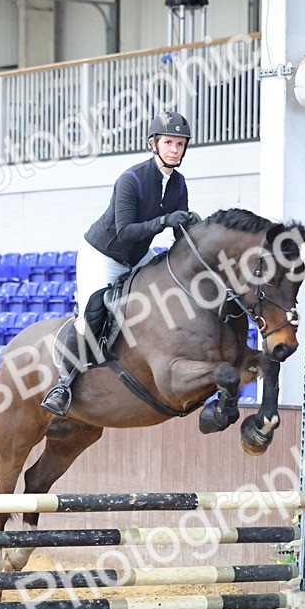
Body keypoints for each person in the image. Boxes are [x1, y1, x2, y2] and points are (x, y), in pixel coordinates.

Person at [40, 110, 198, 416]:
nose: (174, 149)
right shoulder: (131, 179)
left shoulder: (178, 184)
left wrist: (193, 234)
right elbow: (125, 231)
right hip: (103, 254)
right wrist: (164, 220)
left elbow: (180, 233)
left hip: (137, 257)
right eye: (168, 143)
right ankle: (63, 385)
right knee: (92, 313)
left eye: (180, 144)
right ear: (153, 144)